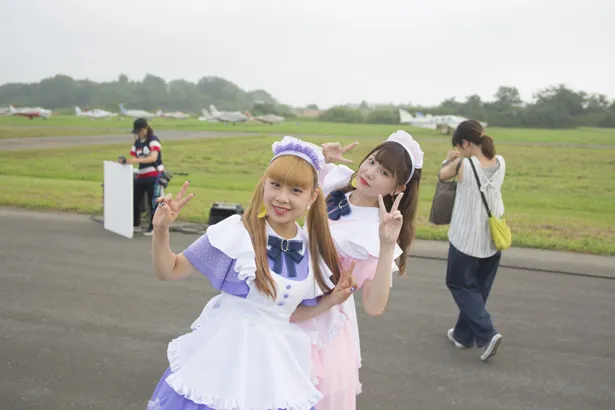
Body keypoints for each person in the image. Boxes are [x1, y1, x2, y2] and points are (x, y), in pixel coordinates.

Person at [146, 136, 357, 410]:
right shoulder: (237, 233)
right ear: (264, 183)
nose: (282, 197)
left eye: (295, 190)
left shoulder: (311, 250)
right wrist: (161, 230)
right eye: (275, 185)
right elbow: (169, 270)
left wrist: (330, 301)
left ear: (312, 196)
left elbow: (287, 313)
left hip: (275, 367)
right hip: (223, 359)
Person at [293, 130, 424, 409]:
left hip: (321, 325)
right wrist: (319, 156)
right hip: (285, 303)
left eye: (385, 172)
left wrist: (387, 246)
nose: (371, 172)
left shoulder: (377, 229)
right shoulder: (335, 185)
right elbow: (286, 185)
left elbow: (374, 306)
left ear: (397, 189)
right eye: (373, 161)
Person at [438, 119, 506, 361]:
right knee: (477, 288)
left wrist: (450, 158)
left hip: (466, 237)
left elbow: (442, 176)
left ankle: (487, 334)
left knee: (458, 284)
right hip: (493, 238)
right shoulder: (500, 162)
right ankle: (462, 335)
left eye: (459, 145)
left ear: (465, 143)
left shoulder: (463, 165)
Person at [118, 118, 164, 236]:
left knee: (152, 202)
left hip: (154, 175)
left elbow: (153, 158)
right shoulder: (137, 143)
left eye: (138, 131)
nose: (137, 134)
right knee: (135, 200)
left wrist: (136, 160)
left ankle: (153, 227)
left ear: (145, 129)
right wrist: (124, 161)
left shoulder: (153, 140)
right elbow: (132, 157)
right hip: (141, 175)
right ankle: (136, 224)